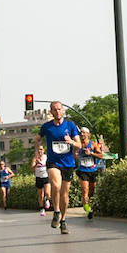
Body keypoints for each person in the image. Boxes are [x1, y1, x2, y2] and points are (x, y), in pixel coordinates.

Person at [39, 100, 82, 235]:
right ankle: (56, 211)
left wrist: (71, 142)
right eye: (54, 109)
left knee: (64, 194)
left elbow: (79, 144)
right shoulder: (46, 127)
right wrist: (36, 152)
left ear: (63, 110)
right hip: (53, 162)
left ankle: (63, 220)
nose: (57, 112)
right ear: (51, 112)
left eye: (59, 109)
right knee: (56, 185)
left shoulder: (70, 125)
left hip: (68, 163)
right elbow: (37, 139)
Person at [74, 128, 106, 219]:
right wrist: (75, 155)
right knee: (85, 191)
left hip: (92, 170)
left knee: (92, 191)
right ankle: (88, 211)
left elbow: (101, 156)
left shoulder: (93, 144)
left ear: (88, 134)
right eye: (80, 133)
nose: (82, 134)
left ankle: (89, 205)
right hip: (82, 170)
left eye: (84, 133)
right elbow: (73, 155)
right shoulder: (78, 145)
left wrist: (91, 153)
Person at [31, 142, 51, 216]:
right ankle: (42, 209)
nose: (40, 151)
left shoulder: (46, 157)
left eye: (41, 149)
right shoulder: (35, 158)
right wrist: (36, 164)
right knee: (40, 195)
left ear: (43, 150)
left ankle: (47, 199)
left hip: (46, 176)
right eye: (38, 150)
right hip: (38, 177)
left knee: (47, 192)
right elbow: (32, 169)